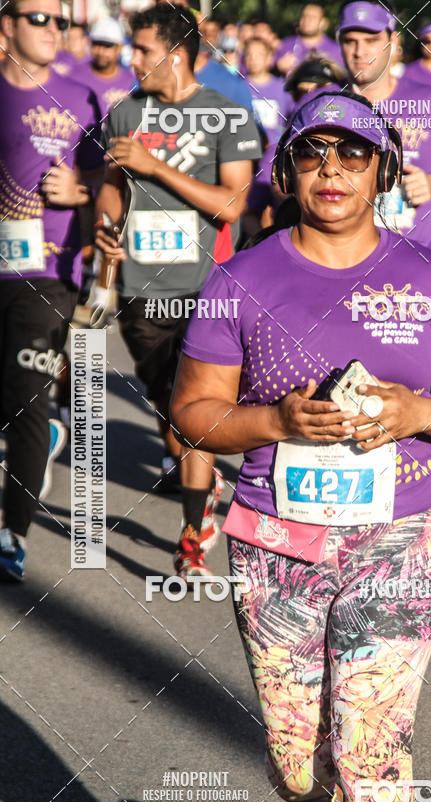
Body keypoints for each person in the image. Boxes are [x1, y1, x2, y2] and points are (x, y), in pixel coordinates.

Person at [171, 89, 431, 802]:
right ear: (286, 168)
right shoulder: (240, 280)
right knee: (297, 761)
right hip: (278, 543)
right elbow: (193, 416)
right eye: (313, 152)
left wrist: (421, 411)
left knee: (373, 751)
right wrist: (275, 418)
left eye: (353, 152)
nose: (332, 169)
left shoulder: (429, 273)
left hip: (402, 538)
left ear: (381, 167)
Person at [94, 5, 261, 578]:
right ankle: (203, 494)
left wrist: (158, 167)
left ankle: (191, 540)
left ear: (176, 53)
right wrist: (105, 234)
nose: (131, 59)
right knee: (173, 414)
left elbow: (233, 204)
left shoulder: (228, 115)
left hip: (206, 288)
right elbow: (112, 190)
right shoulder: (125, 113)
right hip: (141, 290)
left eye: (141, 50)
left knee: (196, 417)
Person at [0, 0, 102, 582]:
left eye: (61, 20)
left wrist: (83, 191)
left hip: (47, 275)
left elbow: (112, 181)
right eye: (39, 17)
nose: (53, 29)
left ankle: (12, 534)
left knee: (26, 401)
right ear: (7, 24)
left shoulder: (83, 97)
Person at [338, 0, 431, 250]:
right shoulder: (322, 106)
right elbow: (279, 178)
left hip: (417, 256)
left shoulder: (430, 101)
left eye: (371, 40)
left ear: (392, 41)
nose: (359, 52)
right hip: (343, 258)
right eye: (350, 40)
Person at [243, 37, 293, 232]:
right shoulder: (239, 88)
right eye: (249, 55)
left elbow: (291, 120)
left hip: (273, 160)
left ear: (269, 59)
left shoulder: (282, 88)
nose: (254, 59)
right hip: (247, 159)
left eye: (259, 55)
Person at [73, 18, 134, 120]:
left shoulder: (132, 83)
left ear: (119, 48)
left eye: (107, 46)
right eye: (96, 44)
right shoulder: (74, 77)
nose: (100, 51)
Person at [273, 3, 343, 75]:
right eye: (304, 16)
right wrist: (277, 67)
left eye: (312, 17)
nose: (307, 20)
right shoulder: (285, 45)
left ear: (323, 22)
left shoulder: (336, 50)